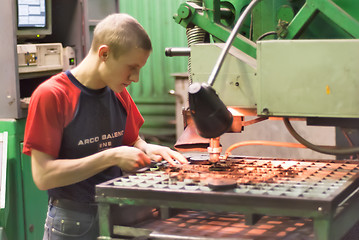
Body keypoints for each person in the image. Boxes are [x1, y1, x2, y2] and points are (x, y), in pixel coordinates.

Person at [23, 13, 188, 240]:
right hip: (74, 221)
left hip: (119, 213)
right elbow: (43, 176)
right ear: (105, 53)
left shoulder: (117, 92)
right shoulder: (53, 95)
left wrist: (147, 148)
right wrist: (111, 157)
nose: (136, 78)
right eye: (131, 67)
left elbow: (132, 140)